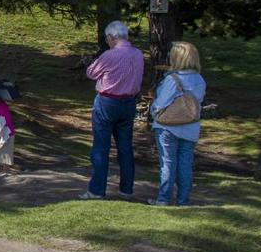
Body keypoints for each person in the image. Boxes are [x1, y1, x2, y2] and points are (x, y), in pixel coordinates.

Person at [80, 20, 144, 200]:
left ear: (111, 37)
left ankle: (97, 189)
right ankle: (126, 189)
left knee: (101, 146)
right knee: (125, 147)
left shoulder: (109, 55)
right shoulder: (138, 54)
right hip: (129, 102)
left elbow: (91, 73)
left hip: (108, 101)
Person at [149, 41, 206, 206]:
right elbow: (199, 101)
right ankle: (183, 200)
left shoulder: (173, 79)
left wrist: (153, 112)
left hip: (168, 126)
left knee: (168, 162)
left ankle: (164, 198)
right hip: (190, 126)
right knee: (185, 164)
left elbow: (161, 103)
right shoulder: (199, 79)